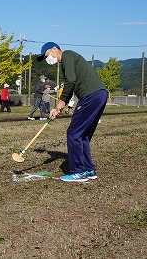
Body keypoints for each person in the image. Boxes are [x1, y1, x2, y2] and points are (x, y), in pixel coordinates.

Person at [37, 42, 107, 182]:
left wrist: (61, 102)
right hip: (100, 94)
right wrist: (58, 108)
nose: (48, 59)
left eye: (47, 55)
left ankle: (78, 171)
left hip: (90, 95)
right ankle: (88, 169)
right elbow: (71, 84)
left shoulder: (67, 55)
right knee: (83, 135)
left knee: (73, 133)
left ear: (54, 49)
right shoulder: (68, 62)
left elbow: (70, 80)